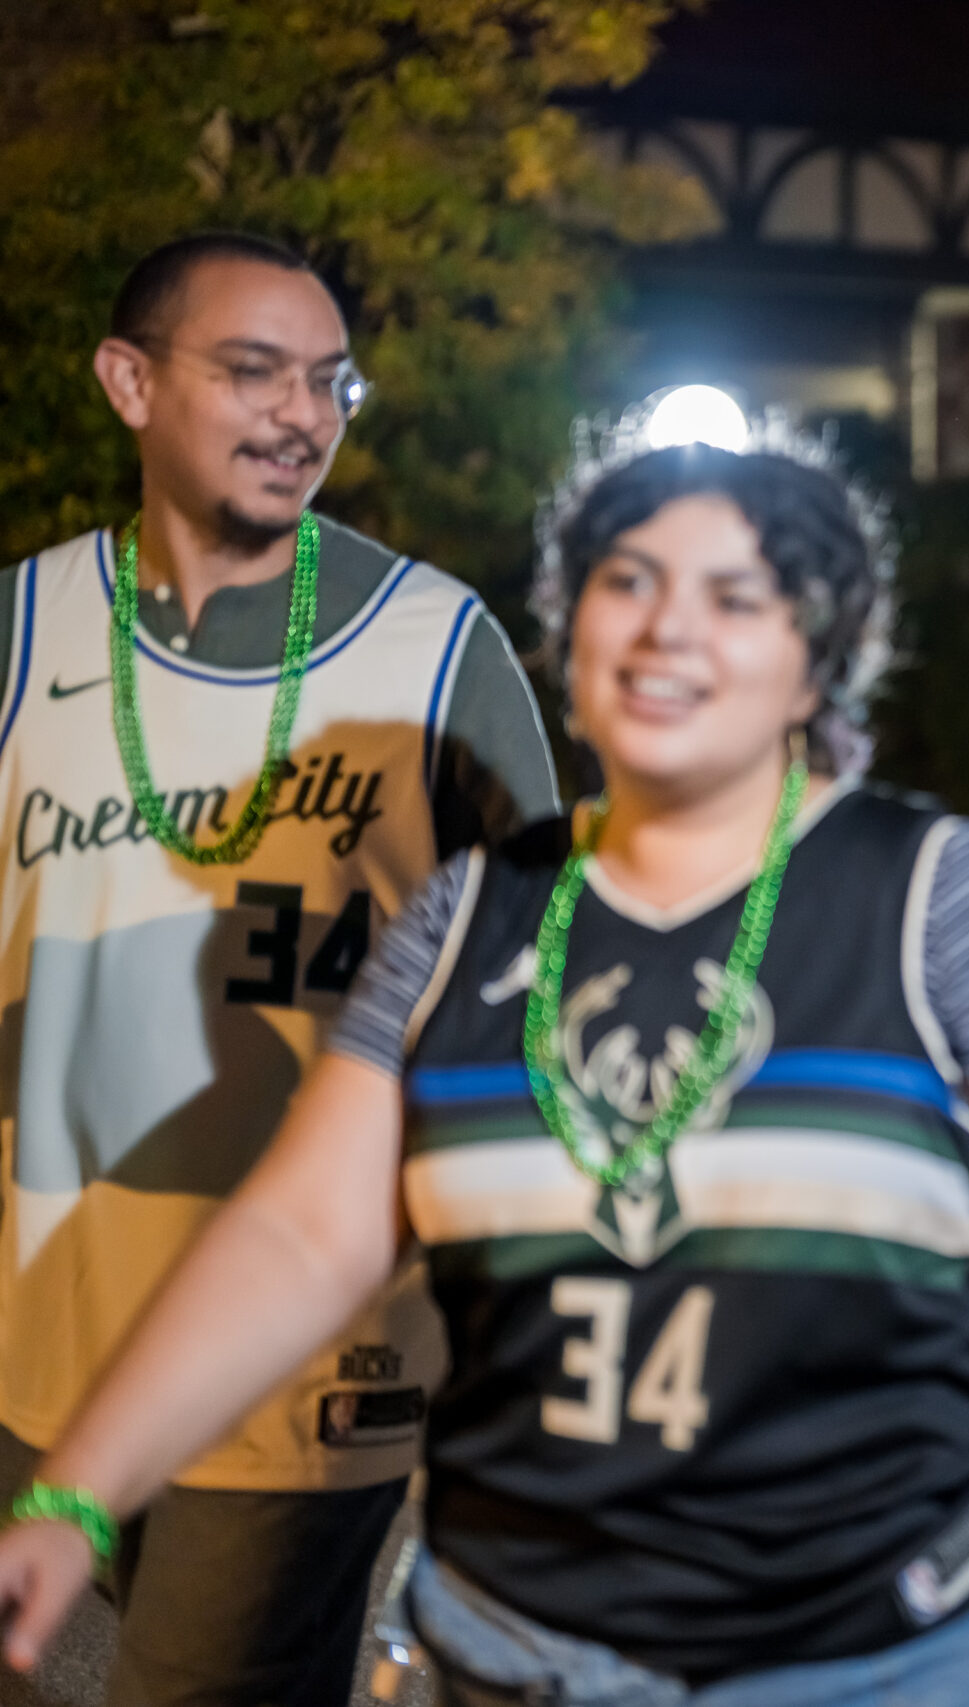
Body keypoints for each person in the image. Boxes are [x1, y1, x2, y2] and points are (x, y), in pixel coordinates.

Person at [0, 437, 969, 1706]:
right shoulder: (472, 914)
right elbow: (300, 1229)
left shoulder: (936, 900)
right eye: (630, 581)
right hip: (532, 1645)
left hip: (884, 1646)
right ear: (573, 632)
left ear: (818, 652)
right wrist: (78, 1489)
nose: (671, 626)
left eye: (736, 595)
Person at [0, 231, 555, 1706]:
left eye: (330, 380)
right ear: (129, 380)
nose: (301, 412)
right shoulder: (18, 636)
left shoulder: (436, 648)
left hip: (311, 1363)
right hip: (36, 1340)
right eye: (251, 369)